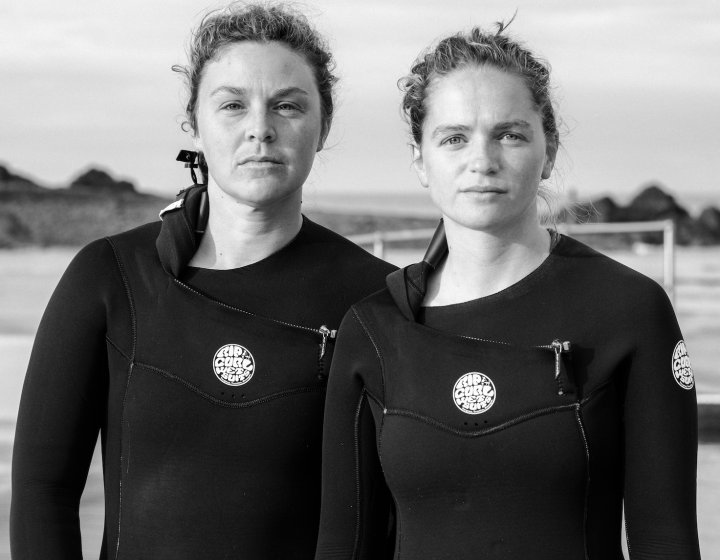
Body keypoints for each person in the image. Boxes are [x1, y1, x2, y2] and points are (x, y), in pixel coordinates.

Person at [10, 3, 396, 559]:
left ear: (324, 124)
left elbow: (401, 514)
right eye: (233, 105)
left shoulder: (375, 298)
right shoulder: (112, 276)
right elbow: (41, 493)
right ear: (194, 121)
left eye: (287, 105)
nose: (259, 129)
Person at [314, 22, 701, 559]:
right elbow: (343, 547)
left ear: (548, 150)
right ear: (421, 161)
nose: (482, 160)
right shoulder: (376, 329)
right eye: (453, 138)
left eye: (510, 134)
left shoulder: (628, 309)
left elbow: (666, 540)